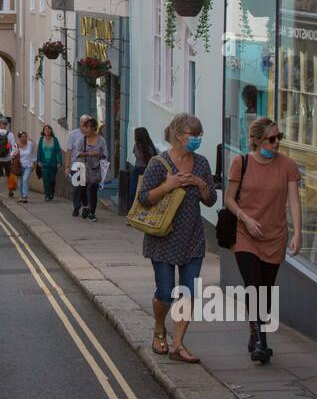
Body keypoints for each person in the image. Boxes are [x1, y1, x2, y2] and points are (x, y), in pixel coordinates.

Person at [139, 112, 216, 364]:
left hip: (192, 239)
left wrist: (200, 183)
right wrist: (168, 185)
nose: (198, 140)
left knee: (188, 293)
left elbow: (210, 200)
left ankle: (178, 344)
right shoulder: (158, 164)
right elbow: (144, 198)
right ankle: (159, 328)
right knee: (165, 293)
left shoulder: (202, 164)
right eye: (195, 136)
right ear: (180, 136)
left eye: (200, 136)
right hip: (163, 238)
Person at [224, 116, 302, 364]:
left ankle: (254, 329)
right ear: (257, 141)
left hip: (275, 236)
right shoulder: (241, 162)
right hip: (246, 235)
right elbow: (229, 199)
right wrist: (245, 219)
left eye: (279, 137)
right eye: (272, 138)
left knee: (266, 291)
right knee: (253, 285)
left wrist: (298, 232)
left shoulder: (288, 166)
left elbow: (294, 201)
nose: (277, 142)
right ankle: (262, 342)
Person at [67, 116, 109, 222]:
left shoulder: (101, 140)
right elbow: (76, 153)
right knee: (82, 190)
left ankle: (92, 213)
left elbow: (105, 155)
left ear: (93, 128)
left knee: (93, 191)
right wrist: (88, 153)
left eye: (87, 127)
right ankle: (85, 206)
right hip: (82, 168)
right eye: (84, 127)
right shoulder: (82, 140)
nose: (84, 129)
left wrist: (98, 154)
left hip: (95, 170)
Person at [129, 126, 159, 210]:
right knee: (136, 192)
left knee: (135, 192)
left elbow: (139, 156)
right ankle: (134, 211)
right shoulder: (145, 146)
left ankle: (135, 211)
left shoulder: (147, 147)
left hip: (141, 169)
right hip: (142, 169)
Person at [36, 124, 62, 201]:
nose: (47, 130)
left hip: (53, 163)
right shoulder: (41, 139)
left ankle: (51, 193)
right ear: (43, 131)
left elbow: (58, 152)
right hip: (44, 163)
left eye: (48, 129)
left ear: (51, 131)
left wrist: (59, 162)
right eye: (45, 129)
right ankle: (47, 195)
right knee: (45, 180)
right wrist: (39, 161)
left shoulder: (55, 139)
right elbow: (39, 151)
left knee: (52, 180)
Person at [15, 131, 36, 203]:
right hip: (19, 166)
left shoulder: (30, 144)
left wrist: (34, 163)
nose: (24, 138)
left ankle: (25, 196)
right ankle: (21, 196)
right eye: (22, 137)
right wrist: (15, 152)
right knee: (20, 181)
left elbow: (33, 154)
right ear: (19, 138)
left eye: (25, 137)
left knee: (24, 180)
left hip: (28, 166)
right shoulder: (16, 145)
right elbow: (12, 154)